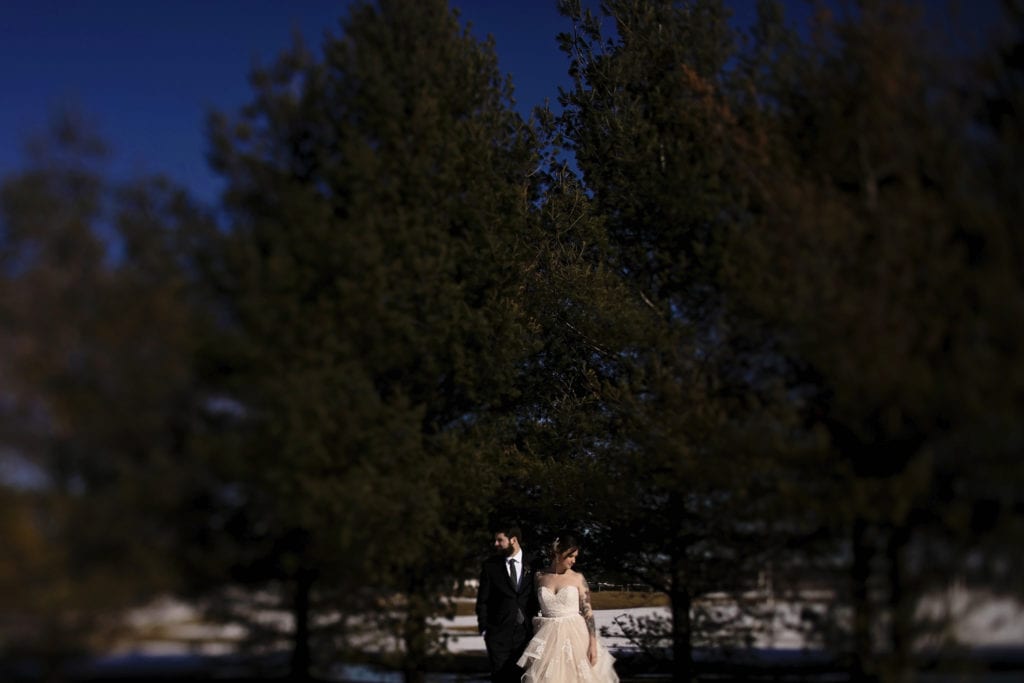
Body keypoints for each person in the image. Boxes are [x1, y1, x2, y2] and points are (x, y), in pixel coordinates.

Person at [517, 533, 618, 683]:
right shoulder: (539, 576)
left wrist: (593, 645)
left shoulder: (578, 578)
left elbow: (588, 613)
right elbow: (530, 605)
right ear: (558, 553)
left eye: (575, 556)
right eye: (570, 556)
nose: (574, 560)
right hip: (547, 637)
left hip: (576, 636)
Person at [476, 523, 540, 683]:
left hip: (525, 634)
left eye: (499, 540)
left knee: (523, 678)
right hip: (498, 635)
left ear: (513, 540)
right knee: (500, 678)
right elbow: (482, 600)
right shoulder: (490, 566)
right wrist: (485, 630)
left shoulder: (534, 563)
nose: (495, 544)